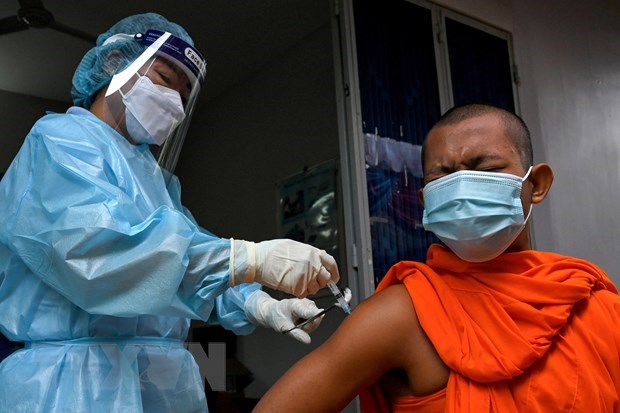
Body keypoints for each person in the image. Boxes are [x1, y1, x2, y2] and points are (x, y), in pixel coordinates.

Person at [0, 13, 340, 413]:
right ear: (114, 64)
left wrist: (258, 304)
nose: (174, 102)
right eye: (164, 78)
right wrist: (249, 258)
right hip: (75, 383)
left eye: (184, 92)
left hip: (162, 380)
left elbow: (182, 262)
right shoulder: (60, 143)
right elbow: (101, 256)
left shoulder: (157, 181)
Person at [253, 103, 620, 412]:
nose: (462, 189)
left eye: (486, 169)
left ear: (535, 184)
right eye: (443, 177)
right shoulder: (402, 314)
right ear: (427, 200)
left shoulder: (591, 303)